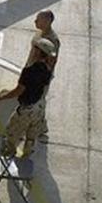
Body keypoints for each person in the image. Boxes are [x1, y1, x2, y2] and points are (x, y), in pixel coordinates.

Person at [0, 38, 56, 160]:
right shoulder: (47, 70)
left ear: (38, 52)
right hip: (39, 106)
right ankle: (27, 156)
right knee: (32, 136)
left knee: (11, 132)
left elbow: (18, 91)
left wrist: (1, 97)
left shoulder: (28, 71)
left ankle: (8, 153)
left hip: (27, 109)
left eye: (34, 48)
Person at [24, 10, 60, 143]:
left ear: (47, 21)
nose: (35, 21)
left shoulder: (52, 40)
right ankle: (41, 127)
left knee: (38, 100)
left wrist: (43, 79)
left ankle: (38, 128)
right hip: (32, 70)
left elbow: (52, 61)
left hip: (40, 76)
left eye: (38, 19)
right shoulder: (40, 32)